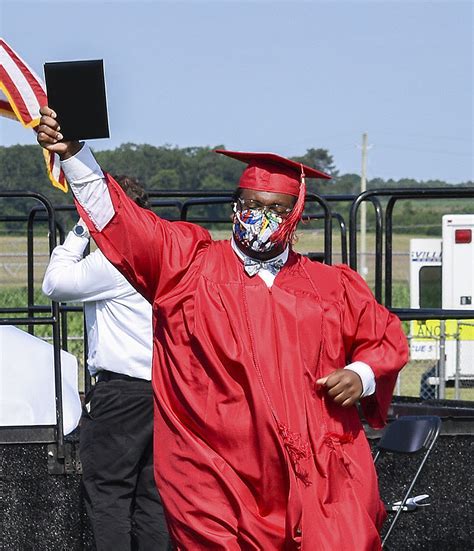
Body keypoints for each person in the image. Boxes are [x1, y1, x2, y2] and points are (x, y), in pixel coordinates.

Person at [38, 106, 408, 551]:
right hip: (217, 472)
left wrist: (363, 374)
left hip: (307, 470)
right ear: (236, 206)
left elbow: (383, 338)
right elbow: (128, 224)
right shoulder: (189, 267)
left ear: (296, 215)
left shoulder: (329, 286)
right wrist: (76, 154)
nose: (261, 217)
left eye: (276, 209)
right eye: (251, 205)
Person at [42, 175, 170, 551]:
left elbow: (54, 283)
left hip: (122, 392)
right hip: (165, 391)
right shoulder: (164, 257)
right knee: (153, 496)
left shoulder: (114, 263)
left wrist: (82, 228)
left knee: (108, 494)